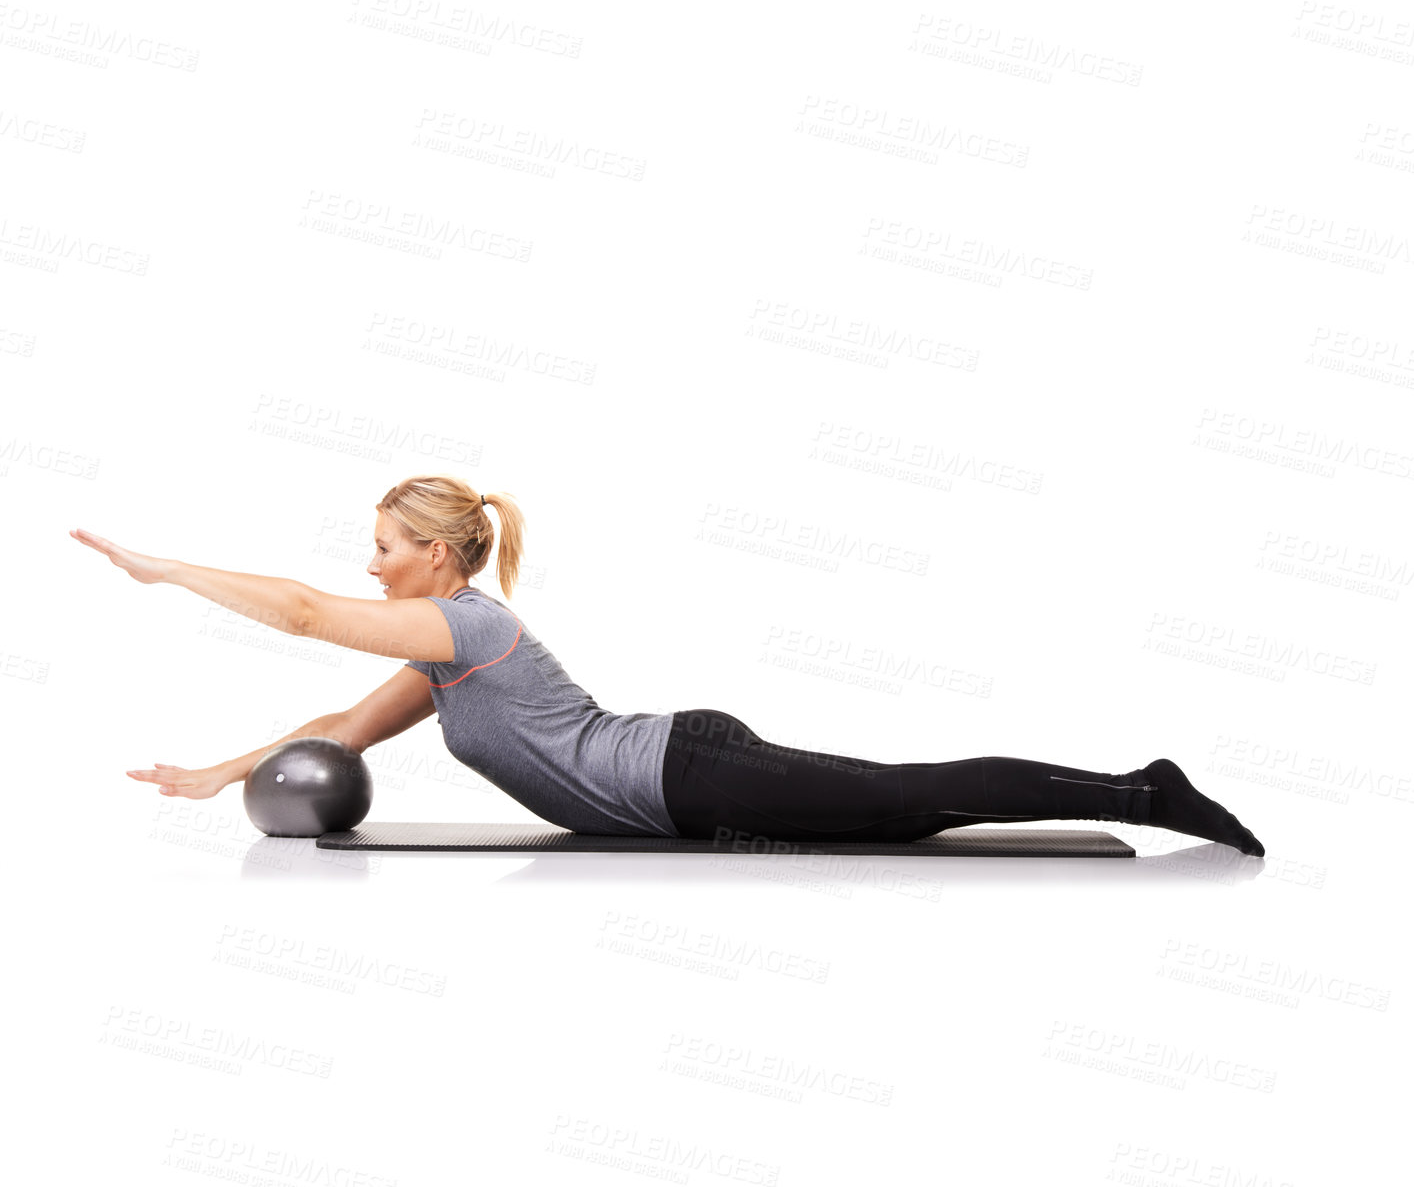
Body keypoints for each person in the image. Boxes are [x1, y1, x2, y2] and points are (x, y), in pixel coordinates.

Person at [69, 474, 1265, 856]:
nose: (367, 566)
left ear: (436, 557)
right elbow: (340, 720)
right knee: (894, 815)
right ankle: (1133, 789)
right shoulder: (441, 663)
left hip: (678, 776)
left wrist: (164, 569)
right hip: (679, 765)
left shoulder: (463, 626)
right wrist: (224, 771)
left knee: (901, 804)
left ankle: (1141, 789)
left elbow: (298, 613)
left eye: (383, 549)